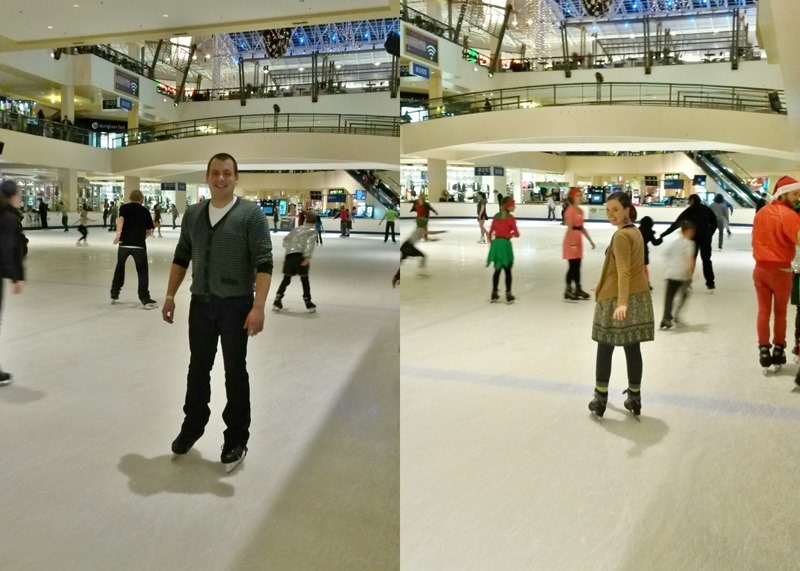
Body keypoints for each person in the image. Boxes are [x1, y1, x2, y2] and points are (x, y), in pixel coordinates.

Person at [162, 153, 272, 473]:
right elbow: (181, 256)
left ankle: (236, 437)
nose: (220, 179)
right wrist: (169, 296)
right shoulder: (193, 214)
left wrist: (258, 306)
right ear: (207, 177)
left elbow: (264, 262)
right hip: (201, 305)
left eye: (227, 173)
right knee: (198, 368)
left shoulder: (250, 215)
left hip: (236, 306)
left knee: (235, 372)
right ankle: (193, 424)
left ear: (236, 177)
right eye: (215, 173)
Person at [588, 191, 654, 420]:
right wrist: (601, 284)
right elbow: (627, 267)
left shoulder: (621, 236)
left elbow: (624, 270)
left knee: (604, 348)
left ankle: (600, 398)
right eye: (608, 210)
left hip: (617, 300)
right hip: (638, 296)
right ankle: (635, 397)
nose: (611, 214)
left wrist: (622, 303)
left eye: (615, 209)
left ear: (627, 210)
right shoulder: (635, 232)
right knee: (632, 348)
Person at [751, 176, 800, 372]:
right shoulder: (789, 215)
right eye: (795, 194)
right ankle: (778, 349)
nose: (797, 198)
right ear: (784, 194)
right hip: (781, 271)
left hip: (760, 270)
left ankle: (764, 351)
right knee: (780, 313)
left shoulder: (762, 212)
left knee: (763, 312)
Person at [110, 189, 157, 309]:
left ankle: (114, 292)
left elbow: (120, 220)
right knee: (142, 271)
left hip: (124, 244)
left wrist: (118, 235)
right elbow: (149, 231)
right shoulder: (145, 211)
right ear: (141, 199)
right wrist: (141, 238)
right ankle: (144, 297)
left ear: (130, 197)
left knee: (120, 267)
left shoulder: (124, 208)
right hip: (139, 246)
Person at [660, 193, 717, 291]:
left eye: (689, 201)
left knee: (691, 260)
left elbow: (677, 224)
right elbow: (715, 223)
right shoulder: (707, 209)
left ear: (692, 200)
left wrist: (663, 234)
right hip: (705, 238)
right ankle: (710, 283)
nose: (689, 203)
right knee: (707, 260)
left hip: (694, 237)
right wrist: (709, 233)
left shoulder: (689, 211)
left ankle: (687, 282)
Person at [0, 180, 26, 386]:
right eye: (18, 194)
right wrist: (16, 276)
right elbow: (7, 248)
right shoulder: (8, 217)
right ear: (12, 195)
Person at [272, 212, 317, 313]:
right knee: (304, 279)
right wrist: (307, 257)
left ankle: (277, 300)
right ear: (315, 222)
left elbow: (286, 240)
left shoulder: (297, 228)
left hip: (289, 256)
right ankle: (308, 302)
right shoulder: (312, 230)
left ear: (306, 220)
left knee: (286, 279)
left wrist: (290, 249)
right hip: (300, 256)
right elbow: (309, 243)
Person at [659, 220, 696, 329]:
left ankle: (666, 318)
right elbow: (690, 260)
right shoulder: (689, 244)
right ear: (688, 231)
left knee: (669, 297)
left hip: (670, 273)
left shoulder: (674, 243)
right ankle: (676, 316)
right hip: (681, 273)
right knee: (684, 294)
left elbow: (665, 255)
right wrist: (690, 275)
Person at [562, 187, 596, 300]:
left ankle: (578, 288)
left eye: (580, 195)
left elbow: (581, 228)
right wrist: (572, 244)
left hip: (578, 240)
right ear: (572, 197)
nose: (580, 197)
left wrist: (590, 240)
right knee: (572, 267)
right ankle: (568, 290)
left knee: (578, 266)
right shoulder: (569, 211)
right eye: (577, 195)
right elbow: (570, 228)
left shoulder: (581, 211)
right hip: (571, 240)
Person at [486, 197, 520, 304]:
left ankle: (494, 293)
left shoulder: (496, 217)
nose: (514, 207)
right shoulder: (511, 218)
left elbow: (490, 233)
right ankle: (508, 294)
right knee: (507, 270)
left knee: (497, 270)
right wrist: (510, 235)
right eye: (513, 205)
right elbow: (517, 234)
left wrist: (493, 243)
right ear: (508, 206)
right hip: (505, 245)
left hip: (496, 245)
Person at [638, 216, 663, 289]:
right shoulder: (649, 231)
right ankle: (647, 283)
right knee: (644, 267)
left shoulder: (638, 230)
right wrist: (661, 239)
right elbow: (655, 243)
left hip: (637, 250)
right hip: (644, 250)